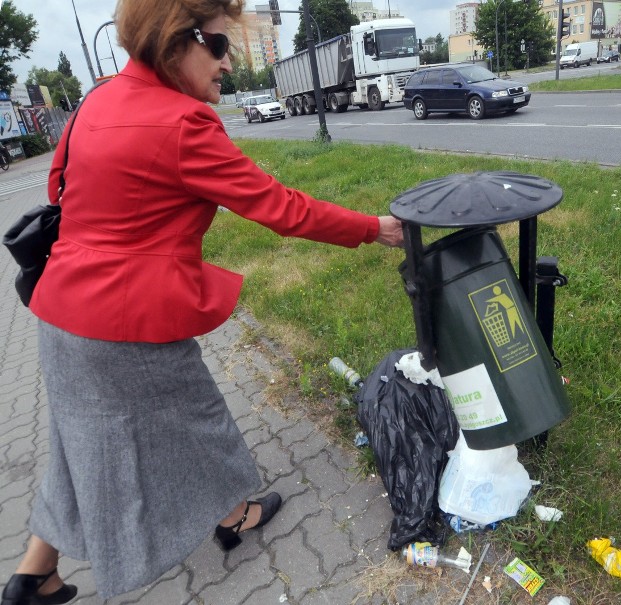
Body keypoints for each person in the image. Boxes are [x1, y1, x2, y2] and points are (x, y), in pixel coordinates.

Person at [0, 0, 403, 603]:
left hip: (60, 313)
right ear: (174, 42)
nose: (228, 62)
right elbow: (280, 208)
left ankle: (33, 574)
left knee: (78, 443)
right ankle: (234, 516)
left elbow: (59, 186)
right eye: (217, 46)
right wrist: (375, 227)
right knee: (198, 423)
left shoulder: (97, 101)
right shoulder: (183, 124)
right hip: (123, 323)